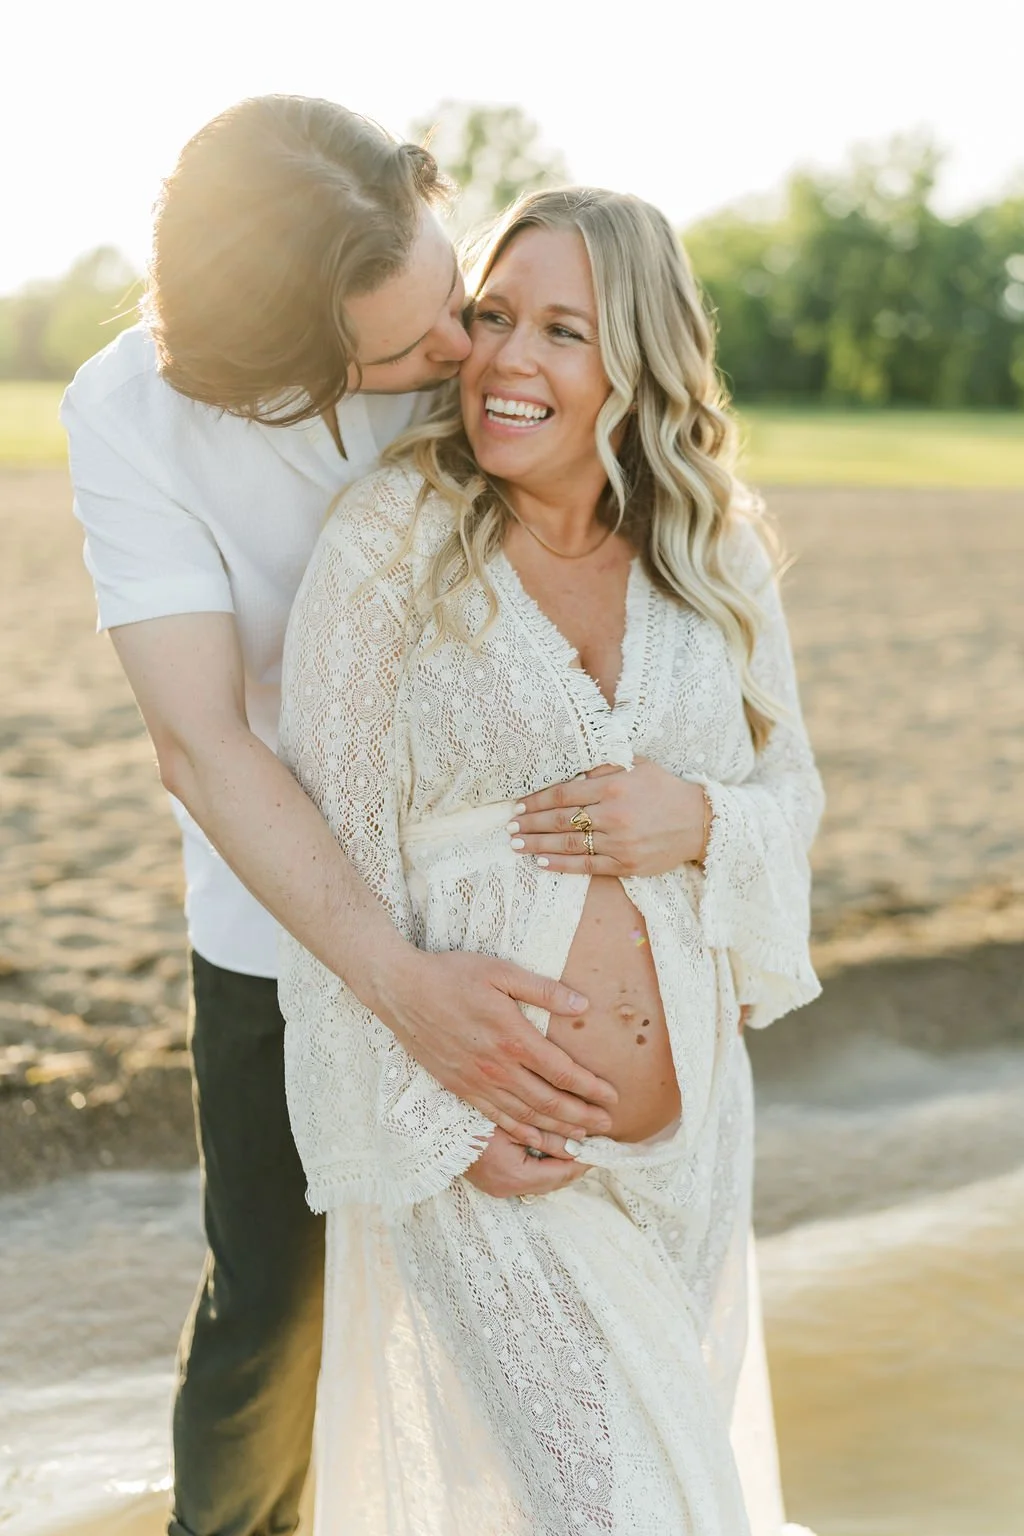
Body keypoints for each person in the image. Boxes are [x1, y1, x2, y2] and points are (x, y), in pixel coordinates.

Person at [61, 96, 619, 1536]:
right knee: (274, 1310)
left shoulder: (463, 341)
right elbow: (205, 740)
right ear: (294, 381)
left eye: (459, 294)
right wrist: (400, 993)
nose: (462, 353)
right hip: (276, 911)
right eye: (413, 344)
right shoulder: (129, 420)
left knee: (549, 1284)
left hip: (514, 878)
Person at [277, 186, 824, 1533]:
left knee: (690, 1500)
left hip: (690, 1139)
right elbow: (325, 866)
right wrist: (443, 1120)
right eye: (493, 315)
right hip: (488, 1135)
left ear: (636, 362)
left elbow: (792, 795)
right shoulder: (391, 541)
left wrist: (699, 820)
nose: (509, 359)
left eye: (562, 329)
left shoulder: (715, 556)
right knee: (622, 1514)